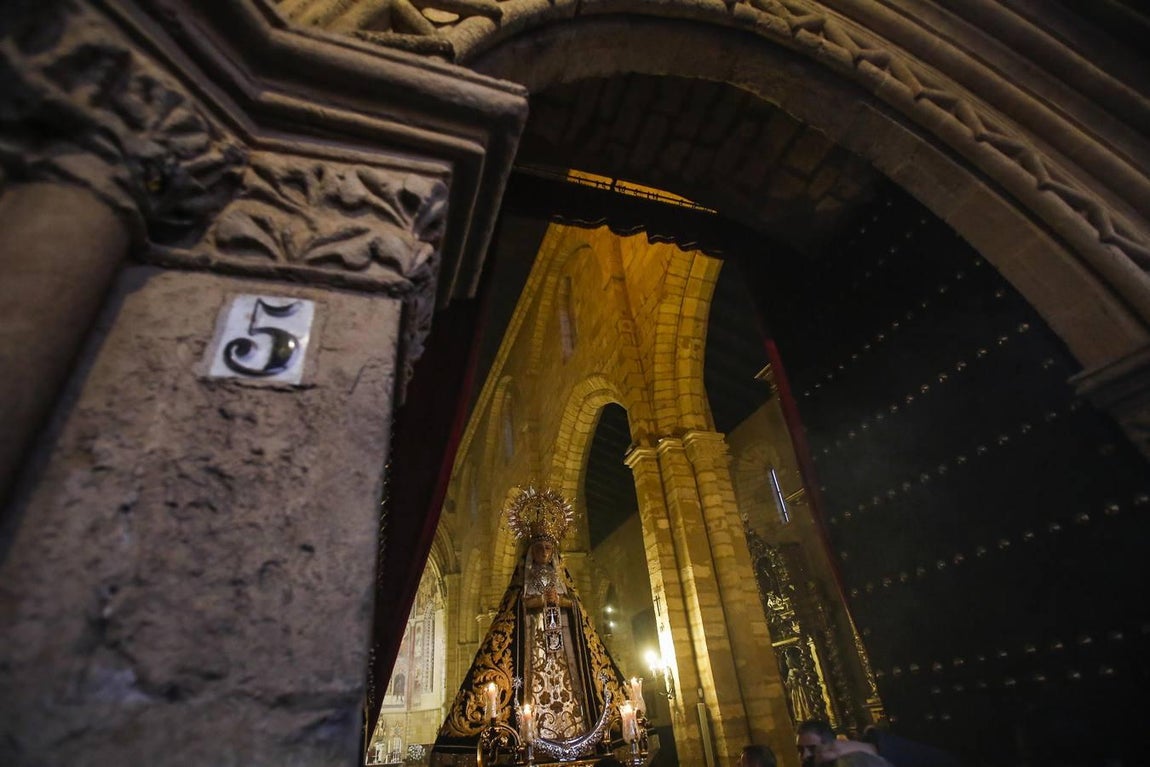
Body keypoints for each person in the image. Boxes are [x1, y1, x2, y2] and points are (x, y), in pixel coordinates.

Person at [431, 487, 627, 763]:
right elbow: (518, 605)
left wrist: (559, 600)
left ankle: (579, 737)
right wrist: (538, 601)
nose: (544, 552)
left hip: (563, 644)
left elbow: (575, 606)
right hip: (533, 645)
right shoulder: (524, 577)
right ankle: (527, 738)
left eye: (548, 548)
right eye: (539, 548)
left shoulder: (561, 576)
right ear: (531, 551)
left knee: (572, 689)